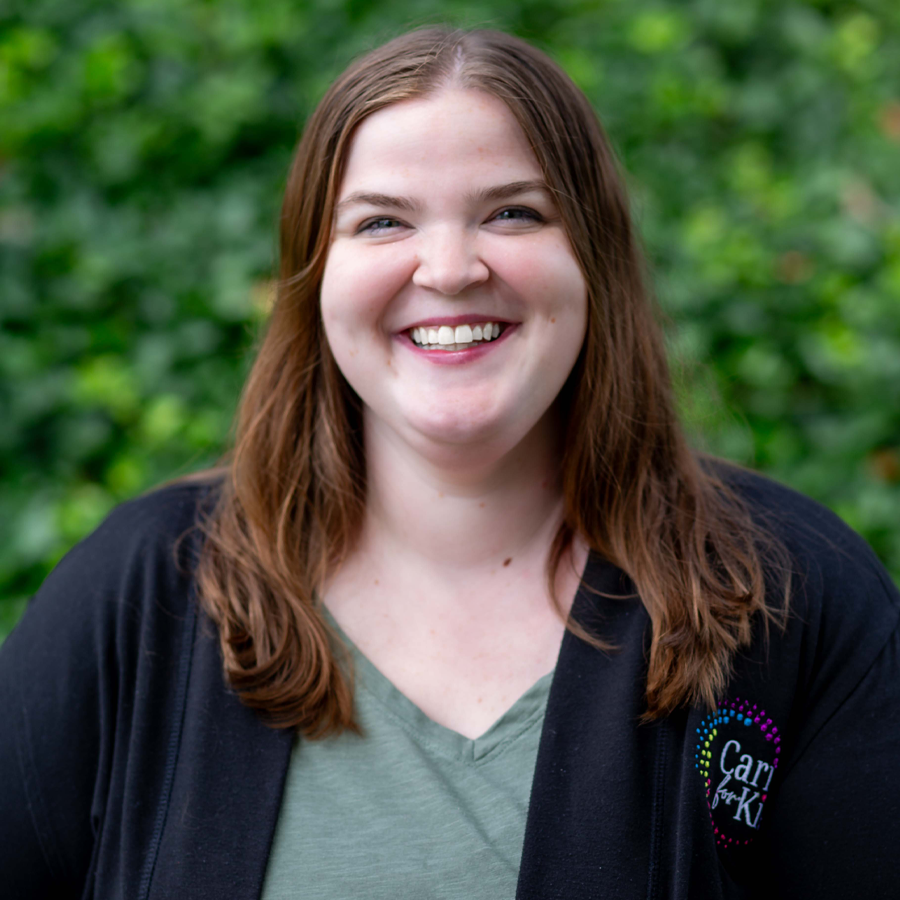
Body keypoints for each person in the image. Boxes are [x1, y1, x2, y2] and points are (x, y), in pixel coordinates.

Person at [1, 26, 898, 900]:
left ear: (594, 257)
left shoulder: (793, 597)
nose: (449, 268)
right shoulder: (138, 597)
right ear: (315, 276)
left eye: (512, 211)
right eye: (382, 221)